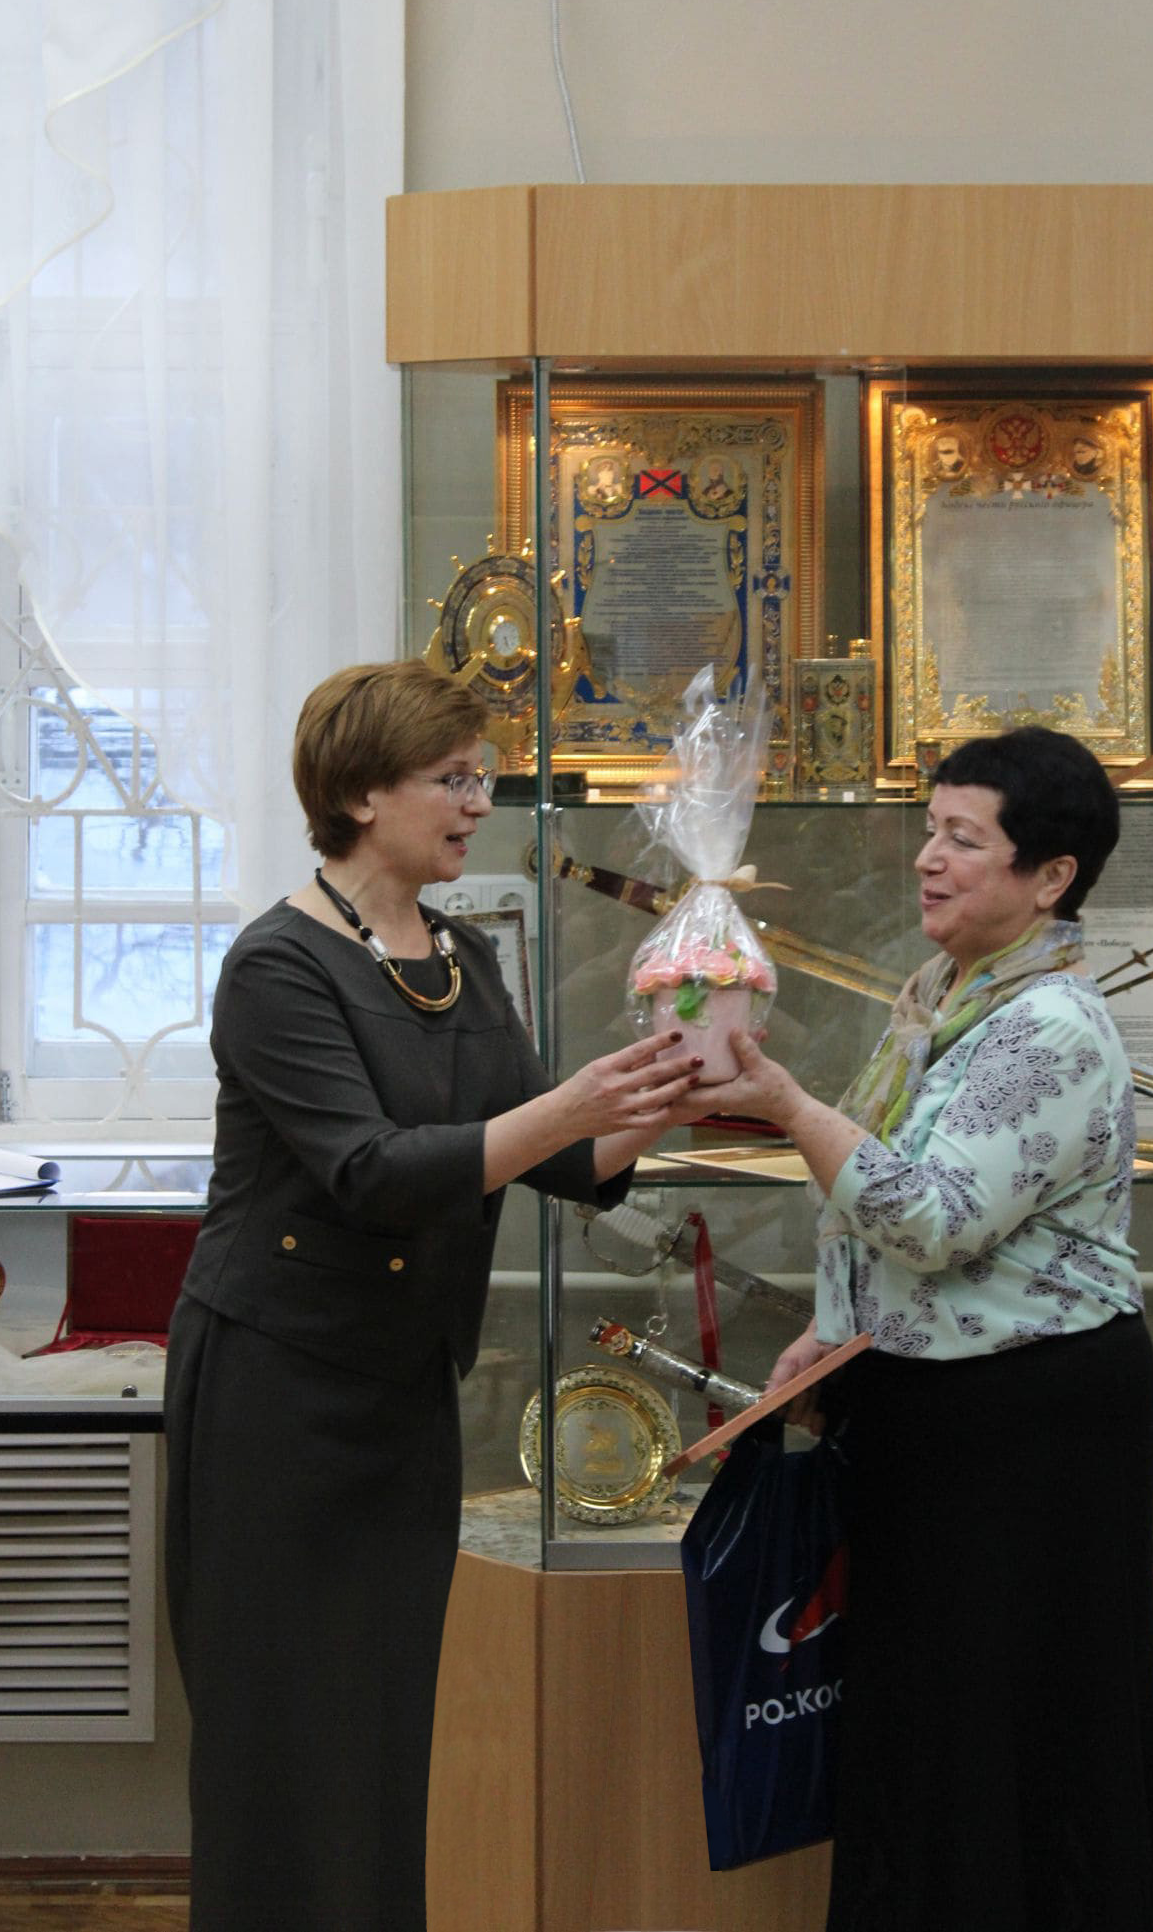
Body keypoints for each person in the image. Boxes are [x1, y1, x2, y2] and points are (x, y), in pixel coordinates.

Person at [163, 660, 702, 1932]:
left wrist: (674, 1081)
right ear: (359, 793)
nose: (477, 803)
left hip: (399, 1393)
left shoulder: (459, 954)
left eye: (483, 776)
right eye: (451, 778)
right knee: (280, 1732)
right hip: (277, 1398)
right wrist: (568, 1105)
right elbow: (370, 1173)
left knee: (383, 1722)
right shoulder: (276, 966)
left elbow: (557, 1159)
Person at [699, 725, 1153, 1932]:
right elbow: (878, 1190)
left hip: (1029, 1421)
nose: (926, 860)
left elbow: (929, 1217)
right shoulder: (945, 993)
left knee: (1010, 1731)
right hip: (936, 1406)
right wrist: (834, 1327)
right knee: (927, 1727)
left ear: (1050, 875)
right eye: (929, 831)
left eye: (963, 840)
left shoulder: (1048, 1025)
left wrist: (784, 1103)